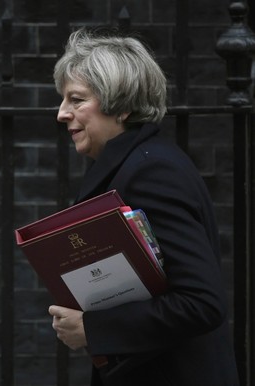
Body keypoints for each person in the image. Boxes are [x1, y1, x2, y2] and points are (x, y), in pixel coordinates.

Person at [48, 28, 239, 386]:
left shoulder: (151, 171)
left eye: (76, 99)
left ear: (120, 105)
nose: (62, 113)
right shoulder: (139, 163)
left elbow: (201, 302)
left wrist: (92, 328)